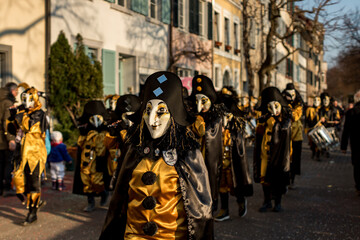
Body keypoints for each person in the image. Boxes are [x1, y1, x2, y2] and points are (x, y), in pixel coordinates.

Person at [100, 71, 213, 240]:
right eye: (148, 110)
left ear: (174, 112)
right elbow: (119, 202)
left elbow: (201, 208)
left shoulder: (187, 151)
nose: (152, 120)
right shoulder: (134, 149)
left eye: (161, 111)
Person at [7, 83, 48, 225]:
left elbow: (29, 127)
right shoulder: (22, 113)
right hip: (20, 152)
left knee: (33, 184)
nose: (26, 103)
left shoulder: (39, 114)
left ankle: (32, 212)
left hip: (34, 154)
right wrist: (12, 117)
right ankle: (33, 202)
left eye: (29, 99)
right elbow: (12, 130)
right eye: (24, 99)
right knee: (18, 183)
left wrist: (19, 115)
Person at [215, 89, 253, 221]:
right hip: (221, 162)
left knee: (236, 184)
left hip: (233, 161)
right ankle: (224, 210)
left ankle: (241, 200)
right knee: (222, 186)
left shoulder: (237, 125)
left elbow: (241, 140)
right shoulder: (216, 125)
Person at [189, 75, 224, 213]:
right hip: (196, 159)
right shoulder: (192, 116)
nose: (200, 105)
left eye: (203, 101)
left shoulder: (216, 118)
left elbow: (203, 132)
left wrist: (197, 117)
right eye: (197, 100)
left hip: (211, 158)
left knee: (212, 180)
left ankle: (214, 203)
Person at [254, 87, 291, 212]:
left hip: (279, 153)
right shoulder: (265, 118)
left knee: (278, 177)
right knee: (264, 177)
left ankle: (278, 202)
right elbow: (259, 134)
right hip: (265, 152)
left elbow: (286, 135)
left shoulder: (285, 119)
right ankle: (267, 201)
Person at [73, 100, 110, 212]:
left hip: (100, 160)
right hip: (86, 160)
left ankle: (104, 194)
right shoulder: (85, 129)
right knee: (86, 181)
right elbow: (80, 143)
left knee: (98, 181)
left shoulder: (106, 129)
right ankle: (91, 202)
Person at [104, 94, 141, 189]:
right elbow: (108, 145)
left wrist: (124, 131)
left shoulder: (142, 127)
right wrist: (112, 133)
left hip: (138, 165)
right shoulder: (117, 125)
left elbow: (132, 142)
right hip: (121, 163)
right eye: (126, 116)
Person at [282, 83, 304, 189]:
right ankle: (285, 179)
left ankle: (292, 179)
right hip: (284, 134)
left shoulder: (298, 105)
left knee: (294, 158)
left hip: (296, 135)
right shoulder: (282, 104)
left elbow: (295, 116)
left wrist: (288, 110)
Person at [341, 90, 360, 195]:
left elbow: (346, 130)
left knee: (357, 165)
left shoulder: (351, 113)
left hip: (355, 143)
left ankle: (358, 186)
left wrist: (343, 146)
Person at [0, 82, 18, 196]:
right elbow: (8, 122)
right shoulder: (7, 103)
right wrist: (11, 139)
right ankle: (6, 187)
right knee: (8, 163)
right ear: (12, 91)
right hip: (3, 140)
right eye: (16, 92)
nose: (17, 94)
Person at [305, 95, 321, 161]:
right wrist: (306, 127)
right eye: (315, 100)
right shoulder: (309, 109)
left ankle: (318, 155)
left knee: (318, 142)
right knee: (312, 143)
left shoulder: (321, 109)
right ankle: (313, 152)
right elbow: (306, 119)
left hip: (319, 128)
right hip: (311, 128)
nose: (316, 102)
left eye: (318, 100)